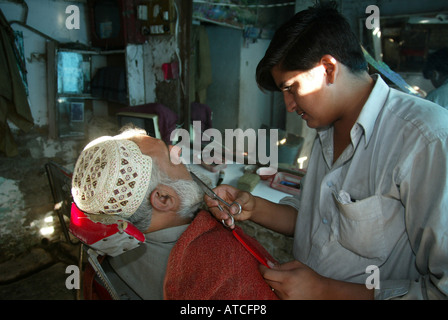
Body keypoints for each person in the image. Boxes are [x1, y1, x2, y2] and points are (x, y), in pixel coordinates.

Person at [205, 2, 448, 300]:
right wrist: (255, 207)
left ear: (329, 69)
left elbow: (441, 289)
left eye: (292, 88)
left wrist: (324, 291)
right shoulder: (326, 131)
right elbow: (319, 223)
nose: (290, 106)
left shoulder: (424, 139)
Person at [71, 126, 277, 300]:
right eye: (171, 156)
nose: (177, 150)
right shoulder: (228, 265)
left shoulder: (116, 246)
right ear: (164, 199)